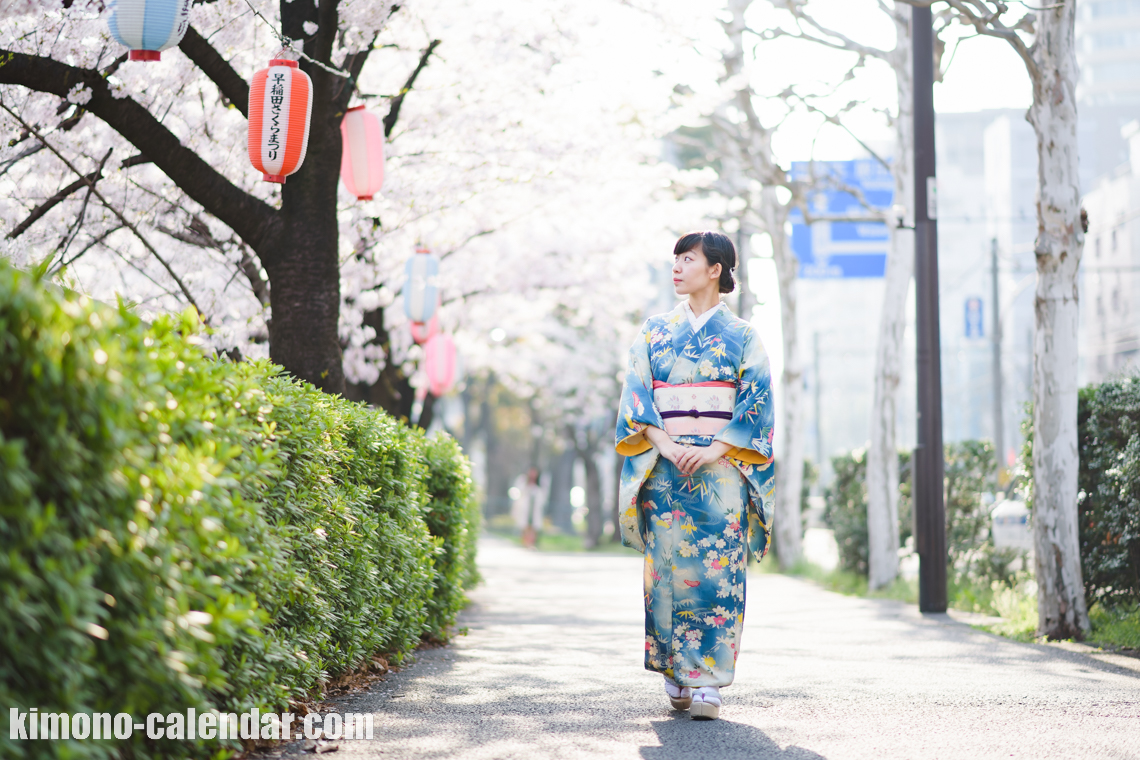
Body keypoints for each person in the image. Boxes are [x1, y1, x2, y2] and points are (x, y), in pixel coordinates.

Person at [615, 231, 775, 721]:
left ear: (716, 270)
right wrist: (665, 443)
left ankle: (706, 678)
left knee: (717, 573)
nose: (677, 267)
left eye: (689, 259)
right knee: (666, 572)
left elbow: (757, 402)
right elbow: (637, 395)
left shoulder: (743, 335)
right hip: (665, 471)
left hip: (721, 471)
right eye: (676, 259)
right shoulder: (654, 331)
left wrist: (714, 450)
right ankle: (673, 667)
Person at [511, 467, 545, 549]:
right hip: (524, 509)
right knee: (525, 526)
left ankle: (531, 543)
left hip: (534, 510)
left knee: (533, 527)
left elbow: (541, 499)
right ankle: (525, 543)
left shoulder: (538, 487)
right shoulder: (522, 483)